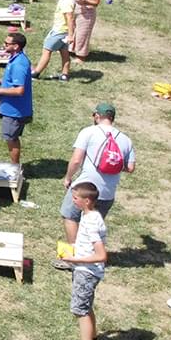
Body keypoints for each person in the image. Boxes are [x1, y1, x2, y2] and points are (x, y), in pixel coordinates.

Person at [55, 103, 135, 258]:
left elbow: (77, 160)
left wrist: (68, 177)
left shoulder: (88, 132)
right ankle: (91, 255)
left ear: (97, 116)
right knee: (92, 226)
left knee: (70, 216)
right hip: (107, 193)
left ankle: (75, 255)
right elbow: (130, 168)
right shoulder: (126, 140)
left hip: (85, 187)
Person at [58, 181, 108, 340]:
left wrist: (74, 258)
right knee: (86, 308)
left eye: (76, 198)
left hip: (86, 273)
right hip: (85, 270)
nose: (73, 200)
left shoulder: (91, 222)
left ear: (87, 201)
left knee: (80, 311)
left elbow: (101, 255)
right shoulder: (90, 216)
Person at [0, 31, 32, 164]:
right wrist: (0, 81)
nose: (4, 45)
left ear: (16, 46)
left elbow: (19, 90)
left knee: (12, 139)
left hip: (15, 110)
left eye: (7, 43)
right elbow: (14, 80)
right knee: (12, 138)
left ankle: (15, 167)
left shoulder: (19, 64)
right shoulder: (17, 58)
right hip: (14, 108)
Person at [31, 0, 76, 81]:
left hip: (60, 31)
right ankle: (65, 75)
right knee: (64, 53)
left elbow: (69, 18)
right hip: (64, 32)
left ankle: (36, 73)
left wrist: (70, 35)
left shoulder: (66, 0)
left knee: (47, 50)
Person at [69, 0, 101, 72]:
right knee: (74, 32)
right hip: (76, 10)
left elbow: (95, 3)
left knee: (83, 34)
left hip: (87, 13)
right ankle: (73, 50)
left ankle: (81, 56)